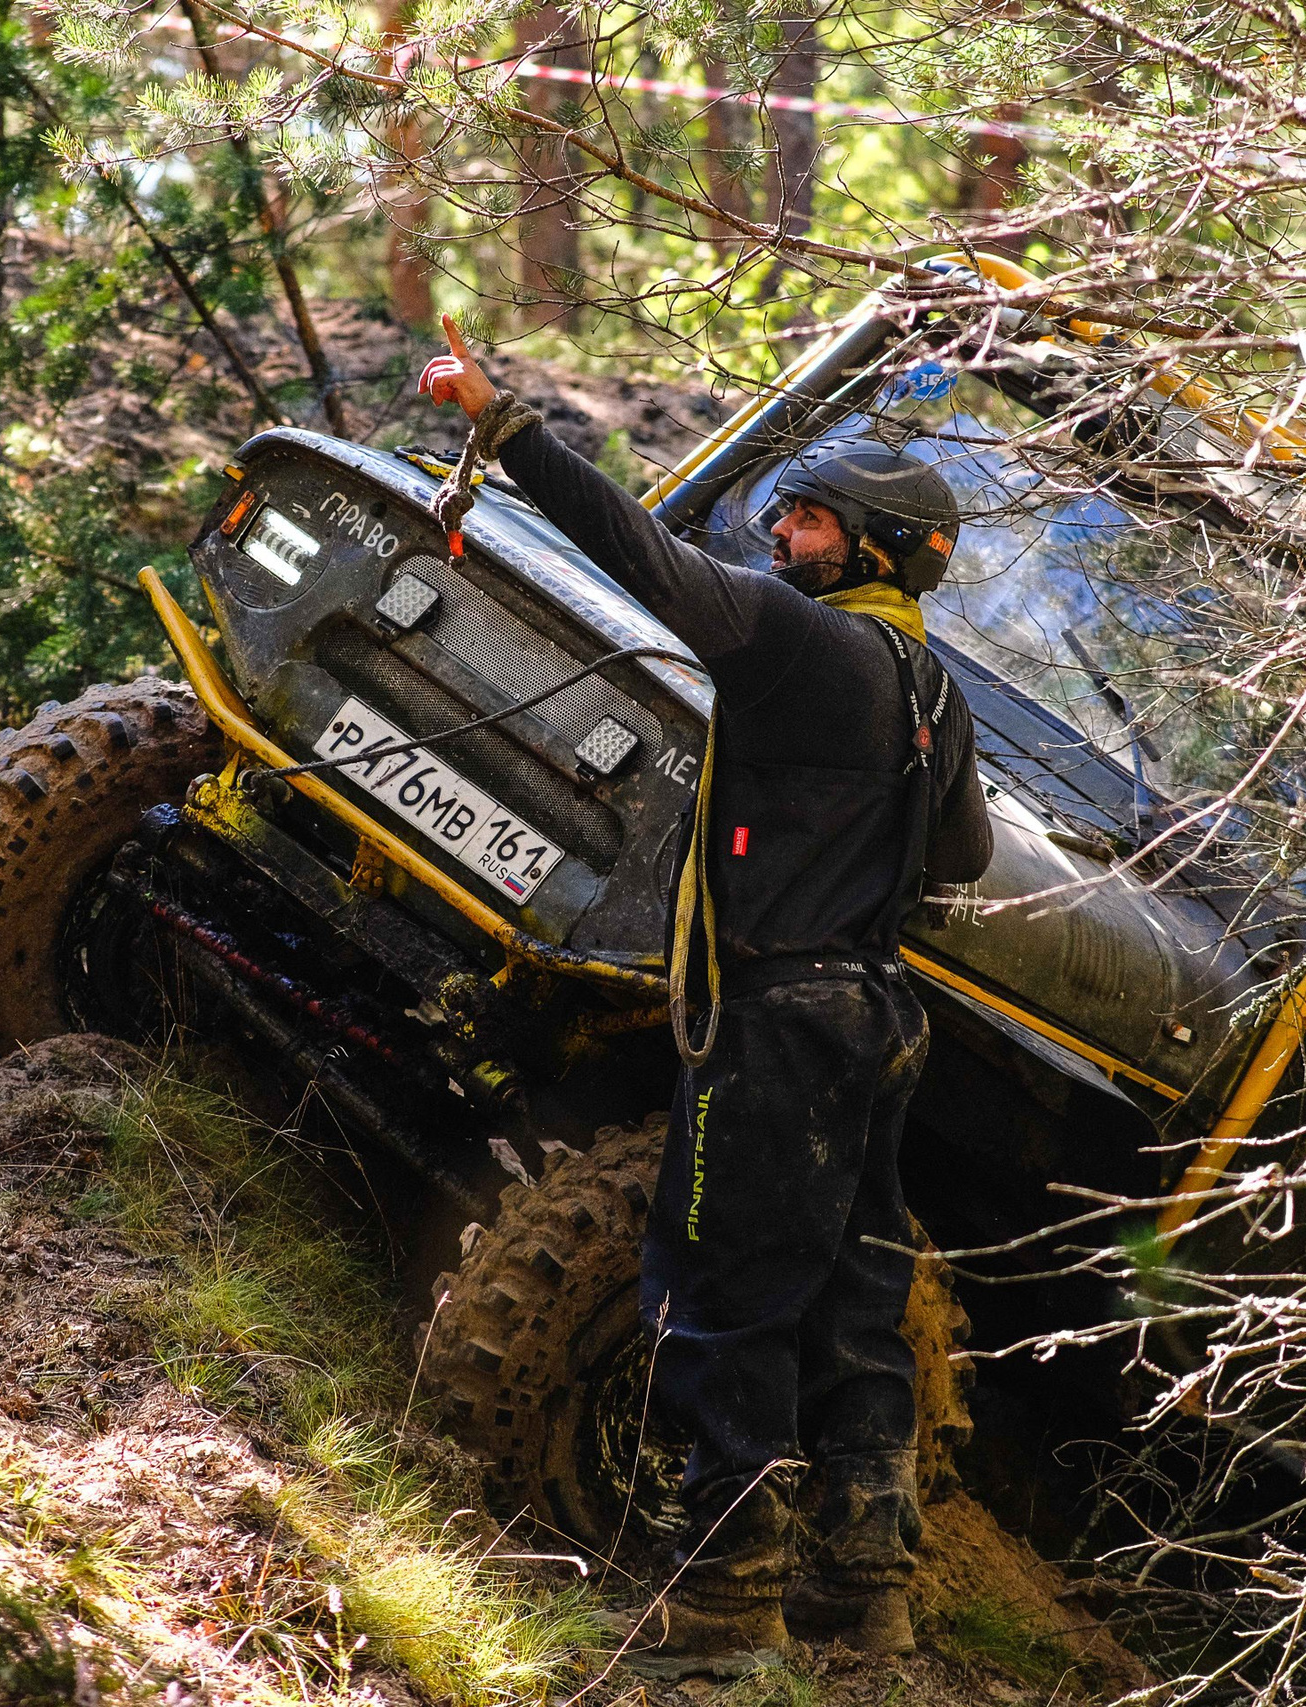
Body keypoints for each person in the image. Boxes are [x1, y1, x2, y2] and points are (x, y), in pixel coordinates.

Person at [423, 316, 996, 1677]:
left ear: (868, 548)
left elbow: (649, 560)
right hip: (875, 1024)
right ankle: (867, 1606)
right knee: (854, 1311)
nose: (782, 536)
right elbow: (962, 857)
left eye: (806, 522)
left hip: (779, 1030)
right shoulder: (934, 692)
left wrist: (510, 432)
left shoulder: (809, 647)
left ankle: (720, 1616)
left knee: (718, 1297)